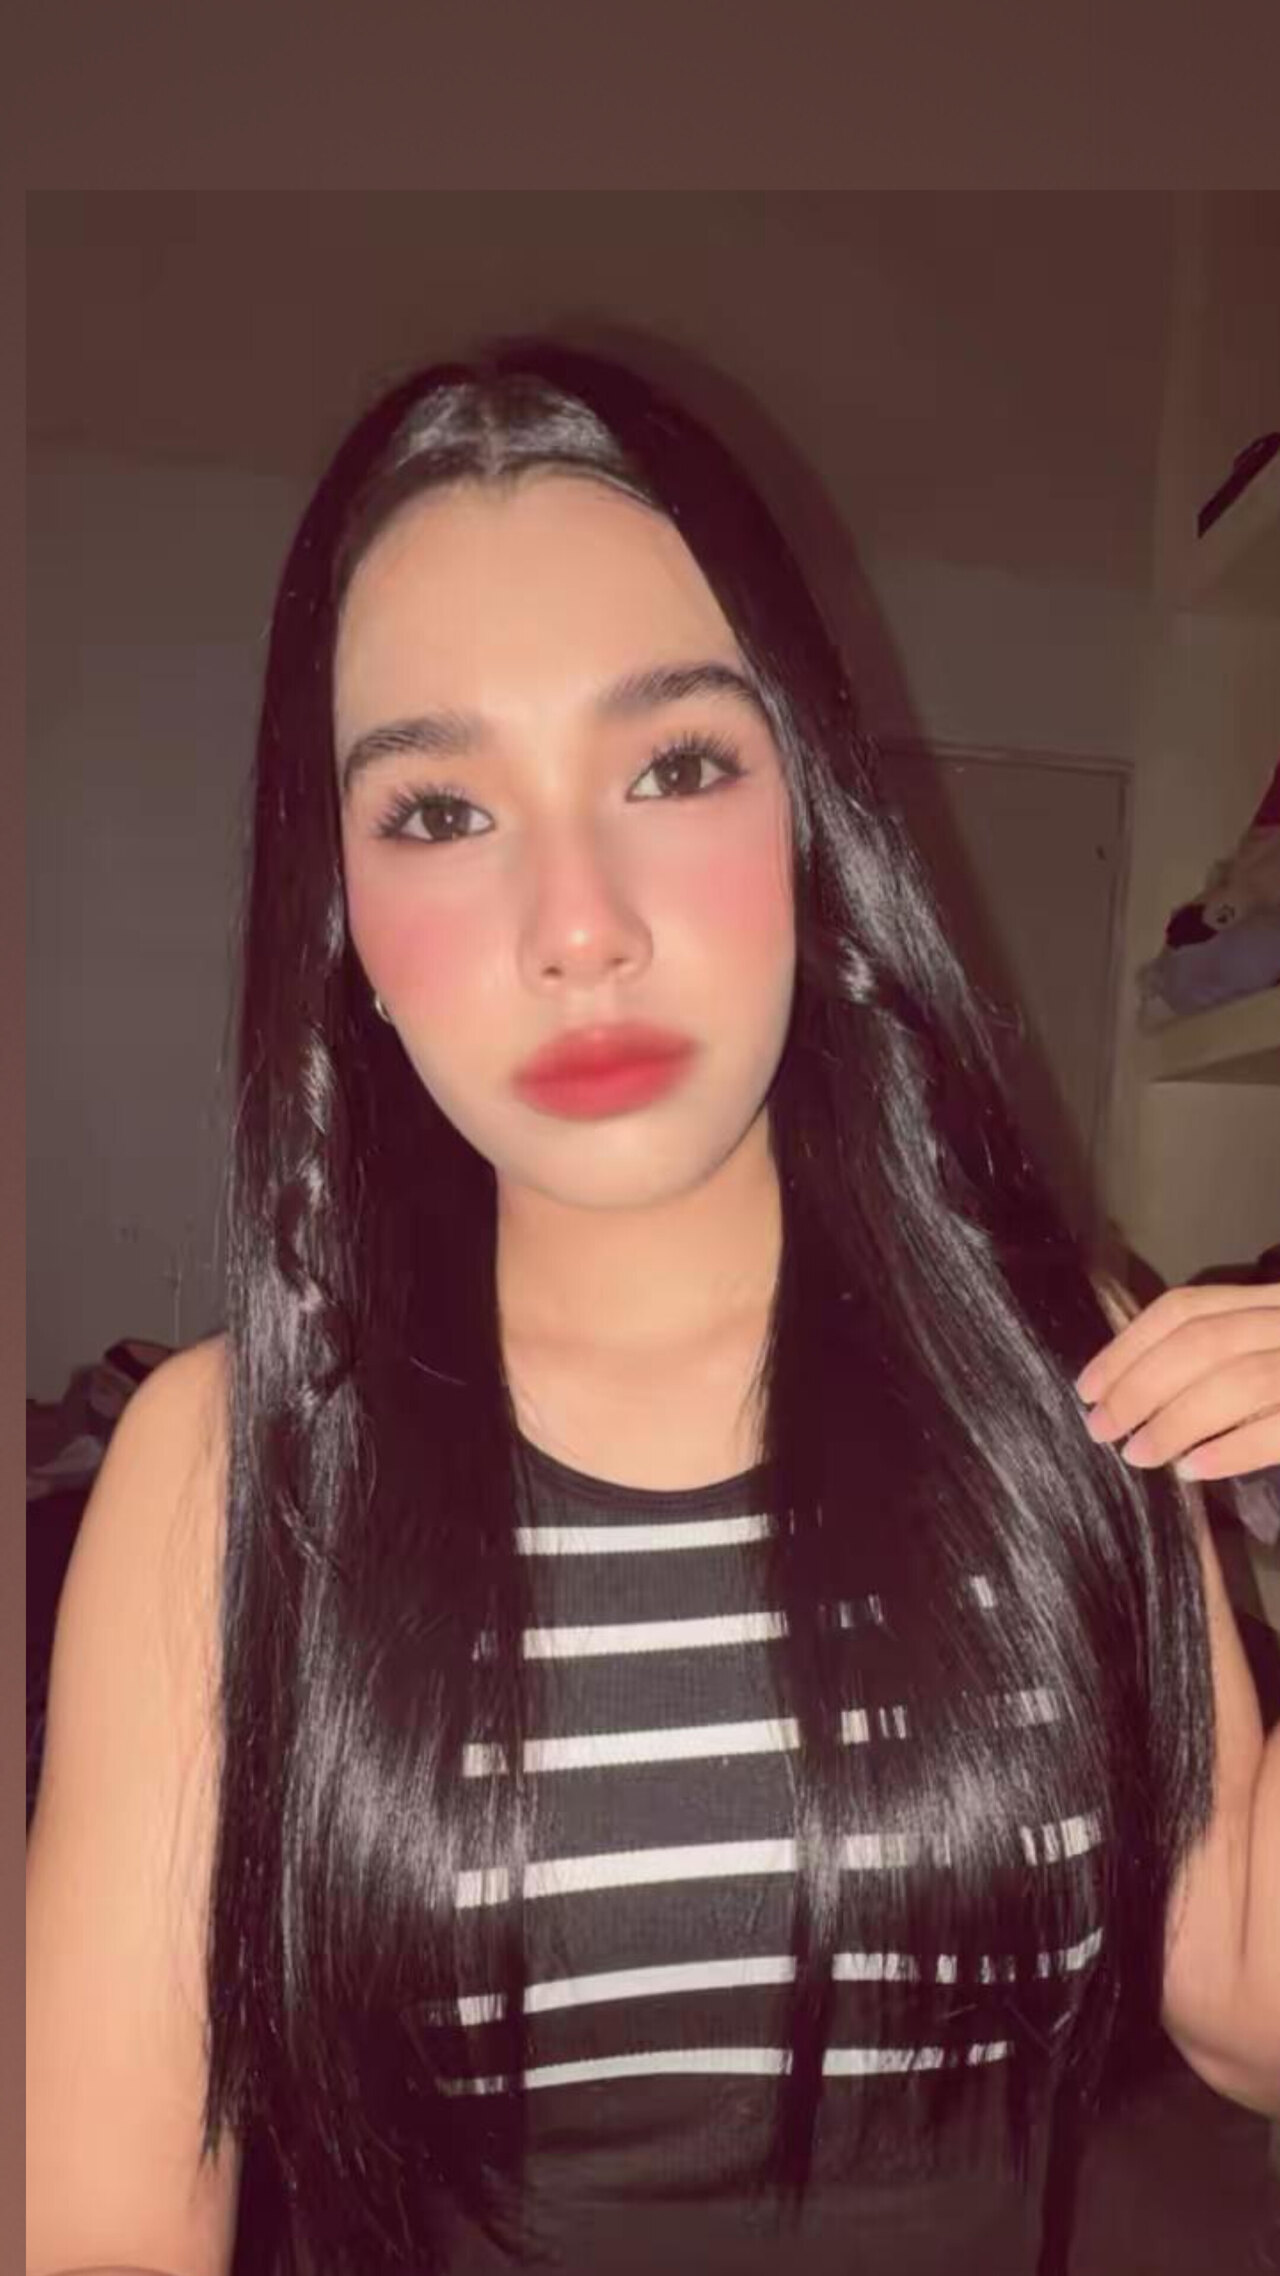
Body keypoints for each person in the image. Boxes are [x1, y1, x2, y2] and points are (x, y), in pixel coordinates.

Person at [26, 338, 1280, 2276]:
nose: (579, 923)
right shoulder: (228, 1469)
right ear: (344, 918)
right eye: (440, 811)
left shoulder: (1051, 1355)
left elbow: (1247, 2014)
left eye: (675, 765)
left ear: (809, 816)